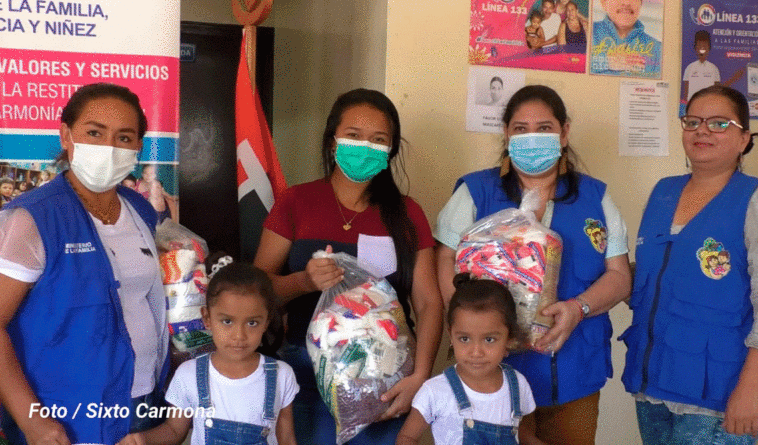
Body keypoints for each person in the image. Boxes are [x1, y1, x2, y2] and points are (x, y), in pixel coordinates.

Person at [436, 85, 631, 445]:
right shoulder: (476, 192)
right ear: (507, 134)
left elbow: (619, 276)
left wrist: (578, 308)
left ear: (564, 132)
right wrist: (467, 323)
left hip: (574, 374)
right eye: (521, 129)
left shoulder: (596, 198)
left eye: (544, 128)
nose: (532, 138)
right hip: (490, 378)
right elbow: (445, 258)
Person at [253, 88, 443, 444]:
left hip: (385, 375)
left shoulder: (407, 213)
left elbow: (429, 303)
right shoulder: (297, 201)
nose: (364, 147)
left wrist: (419, 376)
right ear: (332, 140)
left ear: (390, 150)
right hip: (303, 374)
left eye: (378, 140)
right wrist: (303, 282)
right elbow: (256, 288)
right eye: (354, 136)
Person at [622, 85, 758, 444]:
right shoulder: (663, 191)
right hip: (653, 383)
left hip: (720, 393)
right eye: (693, 121)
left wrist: (750, 389)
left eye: (719, 123)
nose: (702, 131)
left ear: (743, 138)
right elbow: (648, 277)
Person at [0, 83, 169, 444]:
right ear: (66, 136)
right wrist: (33, 421)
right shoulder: (33, 219)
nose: (108, 148)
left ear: (138, 148)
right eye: (94, 133)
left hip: (141, 400)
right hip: (63, 414)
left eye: (124, 138)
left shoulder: (140, 210)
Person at [117, 263, 299, 445]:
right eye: (227, 321)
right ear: (207, 318)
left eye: (252, 323)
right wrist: (142, 439)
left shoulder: (281, 375)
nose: (239, 336)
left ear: (266, 322)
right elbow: (173, 430)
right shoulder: (188, 375)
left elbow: (287, 439)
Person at [397, 274, 542, 445]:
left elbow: (523, 433)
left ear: (509, 339)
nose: (476, 352)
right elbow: (407, 438)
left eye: (489, 339)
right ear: (451, 335)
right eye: (464, 339)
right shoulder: (435, 391)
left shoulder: (518, 384)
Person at [591, 0, 662, 77]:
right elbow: (577, 64)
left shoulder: (658, 49)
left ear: (641, 4)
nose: (627, 3)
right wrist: (606, 62)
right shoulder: (586, 32)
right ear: (603, 3)